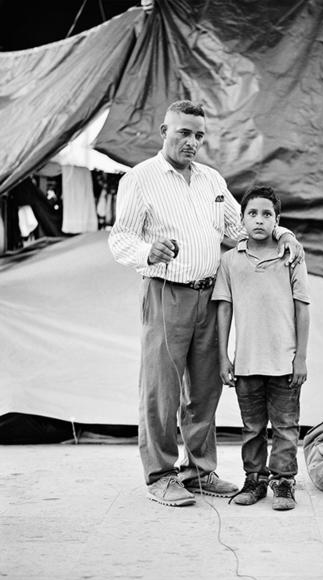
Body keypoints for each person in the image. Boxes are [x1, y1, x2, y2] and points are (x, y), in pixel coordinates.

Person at [109, 100, 304, 507]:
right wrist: (148, 250)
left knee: (205, 389)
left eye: (199, 135)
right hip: (166, 292)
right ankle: (160, 475)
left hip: (211, 294)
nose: (192, 142)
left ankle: (198, 470)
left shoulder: (212, 181)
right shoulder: (140, 179)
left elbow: (241, 227)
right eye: (184, 132)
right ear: (164, 131)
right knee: (161, 390)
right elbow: (120, 238)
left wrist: (282, 234)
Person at [213, 186, 310, 511]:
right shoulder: (230, 260)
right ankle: (254, 480)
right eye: (252, 213)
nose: (259, 219)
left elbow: (302, 307)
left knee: (285, 427)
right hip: (247, 363)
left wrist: (301, 357)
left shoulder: (291, 255)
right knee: (252, 427)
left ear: (277, 220)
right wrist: (223, 356)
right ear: (242, 220)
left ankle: (283, 482)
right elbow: (223, 309)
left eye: (267, 214)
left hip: (284, 362)